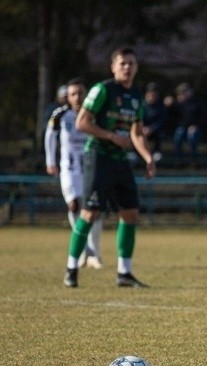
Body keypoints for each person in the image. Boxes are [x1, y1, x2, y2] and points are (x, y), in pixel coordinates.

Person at [64, 46, 156, 288]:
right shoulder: (102, 90)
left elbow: (136, 132)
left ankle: (124, 273)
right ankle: (72, 267)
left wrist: (147, 157)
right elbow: (83, 123)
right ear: (113, 67)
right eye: (122, 63)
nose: (127, 67)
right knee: (90, 214)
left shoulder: (136, 97)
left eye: (131, 64)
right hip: (98, 156)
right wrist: (111, 136)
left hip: (120, 160)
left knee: (130, 214)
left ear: (136, 68)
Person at [45, 77, 104, 269]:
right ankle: (86, 250)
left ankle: (94, 252)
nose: (77, 97)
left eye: (80, 93)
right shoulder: (60, 115)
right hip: (69, 169)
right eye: (73, 94)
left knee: (93, 209)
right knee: (74, 205)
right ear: (68, 97)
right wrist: (50, 161)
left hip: (90, 167)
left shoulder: (94, 115)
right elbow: (50, 136)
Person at [168, 82, 204, 163]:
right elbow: (171, 117)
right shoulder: (178, 104)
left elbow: (204, 118)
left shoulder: (197, 103)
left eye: (185, 92)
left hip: (195, 128)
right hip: (182, 128)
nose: (183, 94)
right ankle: (178, 161)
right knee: (178, 135)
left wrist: (196, 126)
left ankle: (194, 161)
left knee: (192, 136)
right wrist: (170, 105)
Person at [142, 82, 167, 158]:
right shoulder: (142, 105)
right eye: (150, 93)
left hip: (155, 130)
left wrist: (152, 128)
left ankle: (157, 152)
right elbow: (138, 118)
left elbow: (162, 120)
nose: (152, 96)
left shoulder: (161, 106)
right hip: (143, 129)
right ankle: (136, 153)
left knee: (159, 134)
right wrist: (143, 128)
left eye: (154, 93)